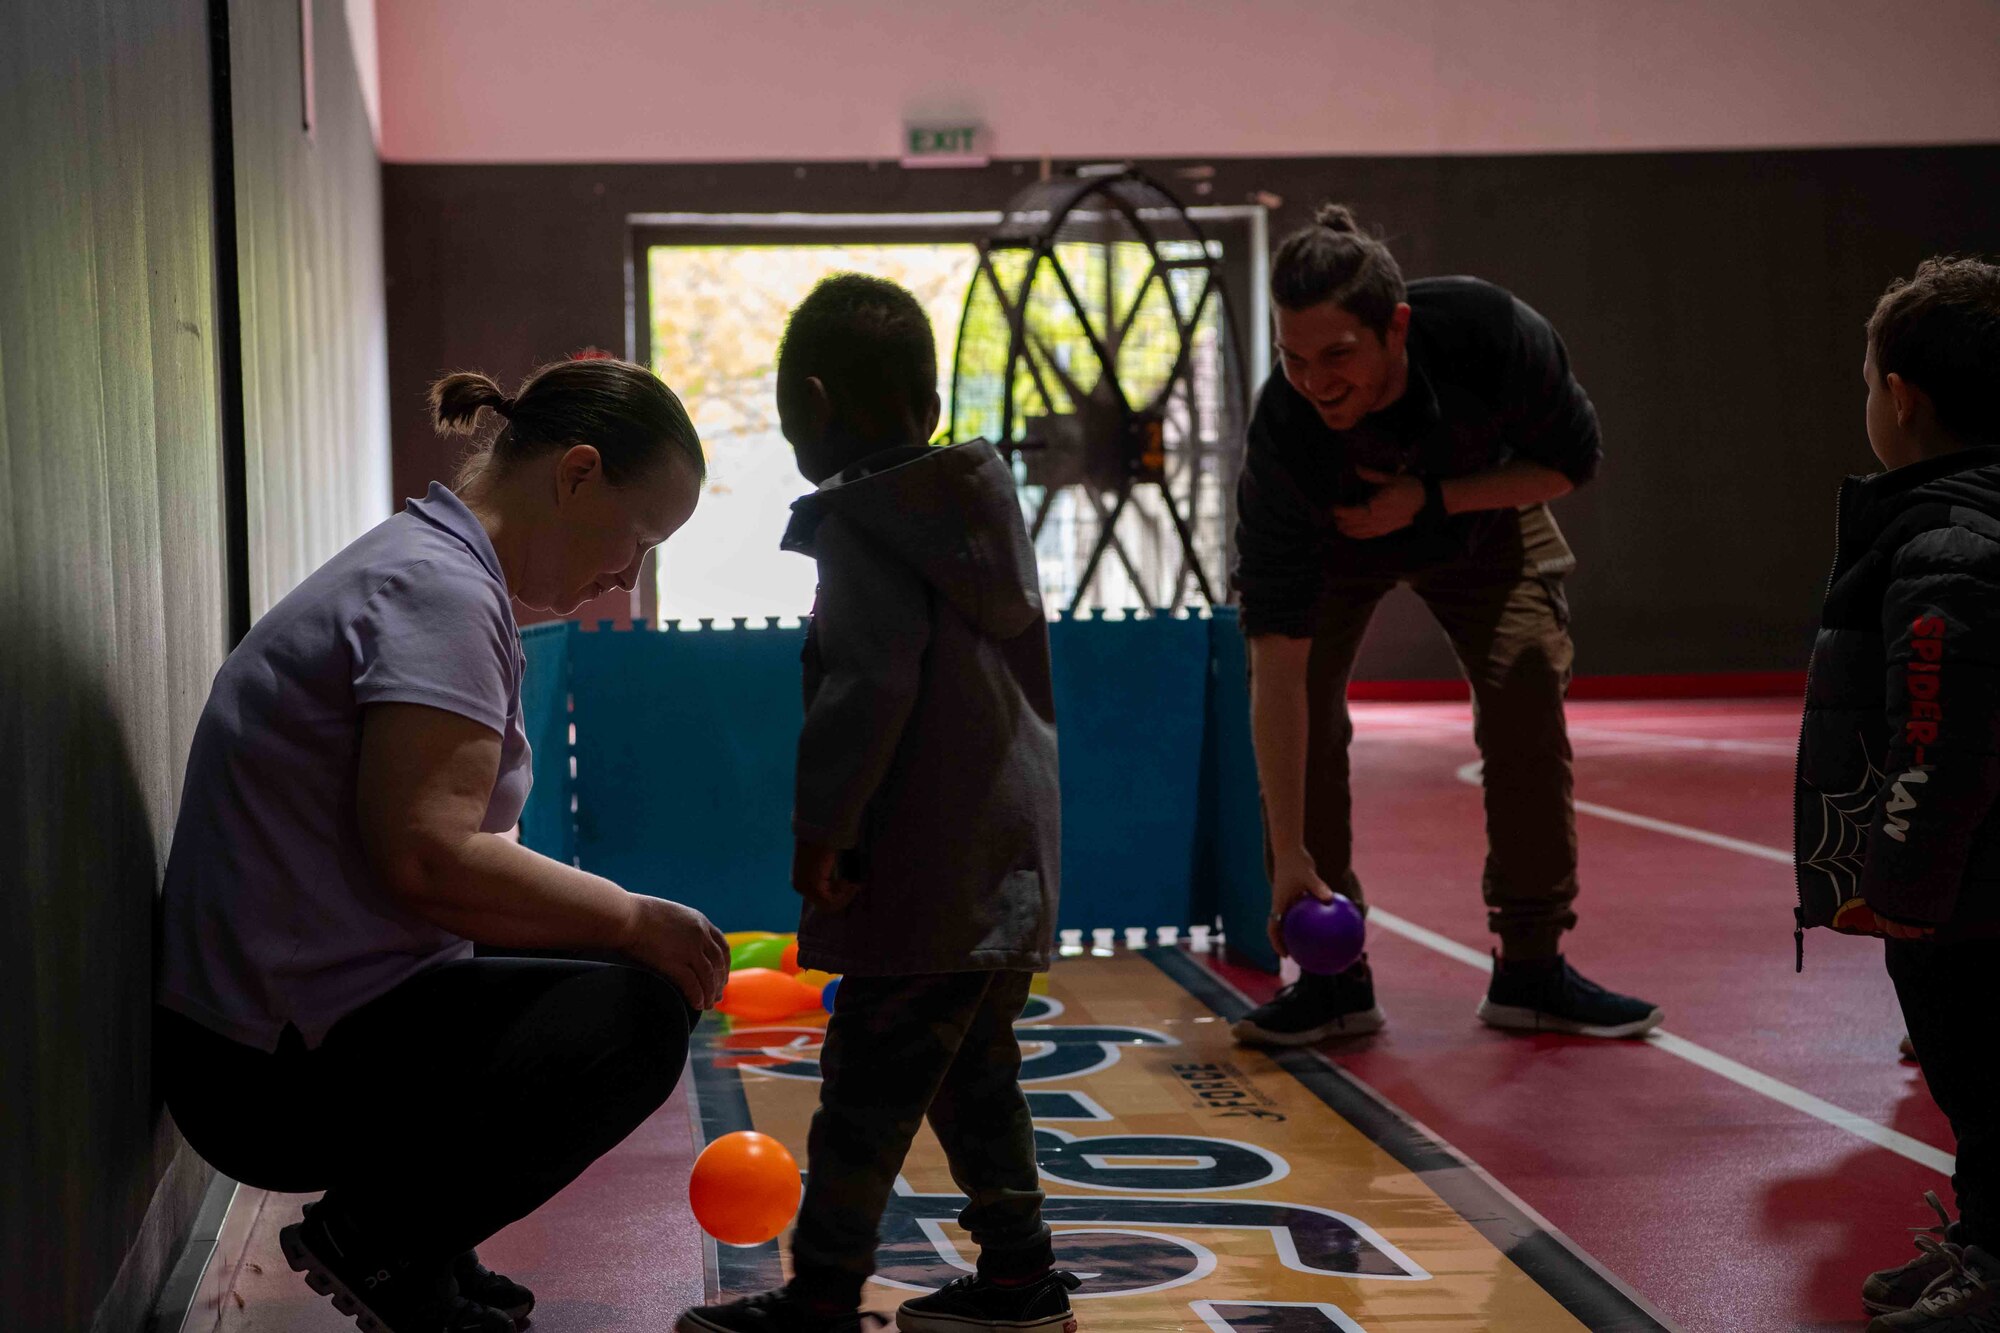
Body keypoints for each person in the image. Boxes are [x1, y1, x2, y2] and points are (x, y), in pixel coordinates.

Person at [155, 356, 729, 1333]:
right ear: (577, 473)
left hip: (285, 1030)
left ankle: (423, 1242)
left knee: (592, 951)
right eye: (638, 539)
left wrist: (614, 925)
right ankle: (378, 1240)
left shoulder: (432, 569)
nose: (627, 575)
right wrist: (636, 919)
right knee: (634, 1015)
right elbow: (427, 858)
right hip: (269, 1074)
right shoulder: (438, 594)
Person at [676, 275, 1075, 1333]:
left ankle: (818, 1299)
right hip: (1002, 863)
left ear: (812, 401)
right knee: (975, 1072)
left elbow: (867, 687)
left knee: (865, 1085)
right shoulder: (978, 516)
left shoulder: (866, 527)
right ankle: (1018, 1278)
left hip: (923, 867)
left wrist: (823, 833)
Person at [1229, 204, 1663, 1046]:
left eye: (1338, 357)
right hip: (1339, 541)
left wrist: (1427, 499)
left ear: (1395, 328)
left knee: (1526, 680)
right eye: (1294, 358)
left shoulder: (1490, 334)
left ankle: (1531, 968)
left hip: (1483, 514)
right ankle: (1333, 983)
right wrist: (1285, 851)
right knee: (1309, 718)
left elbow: (1570, 465)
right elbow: (1277, 667)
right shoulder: (1284, 436)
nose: (1316, 382)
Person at [1794, 256, 2000, 1333]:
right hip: (1970, 883)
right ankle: (1980, 1236)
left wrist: (1904, 880)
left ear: (1899, 397)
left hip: (1962, 895)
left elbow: (1939, 735)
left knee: (1978, 1067)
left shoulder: (1943, 550)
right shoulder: (1961, 527)